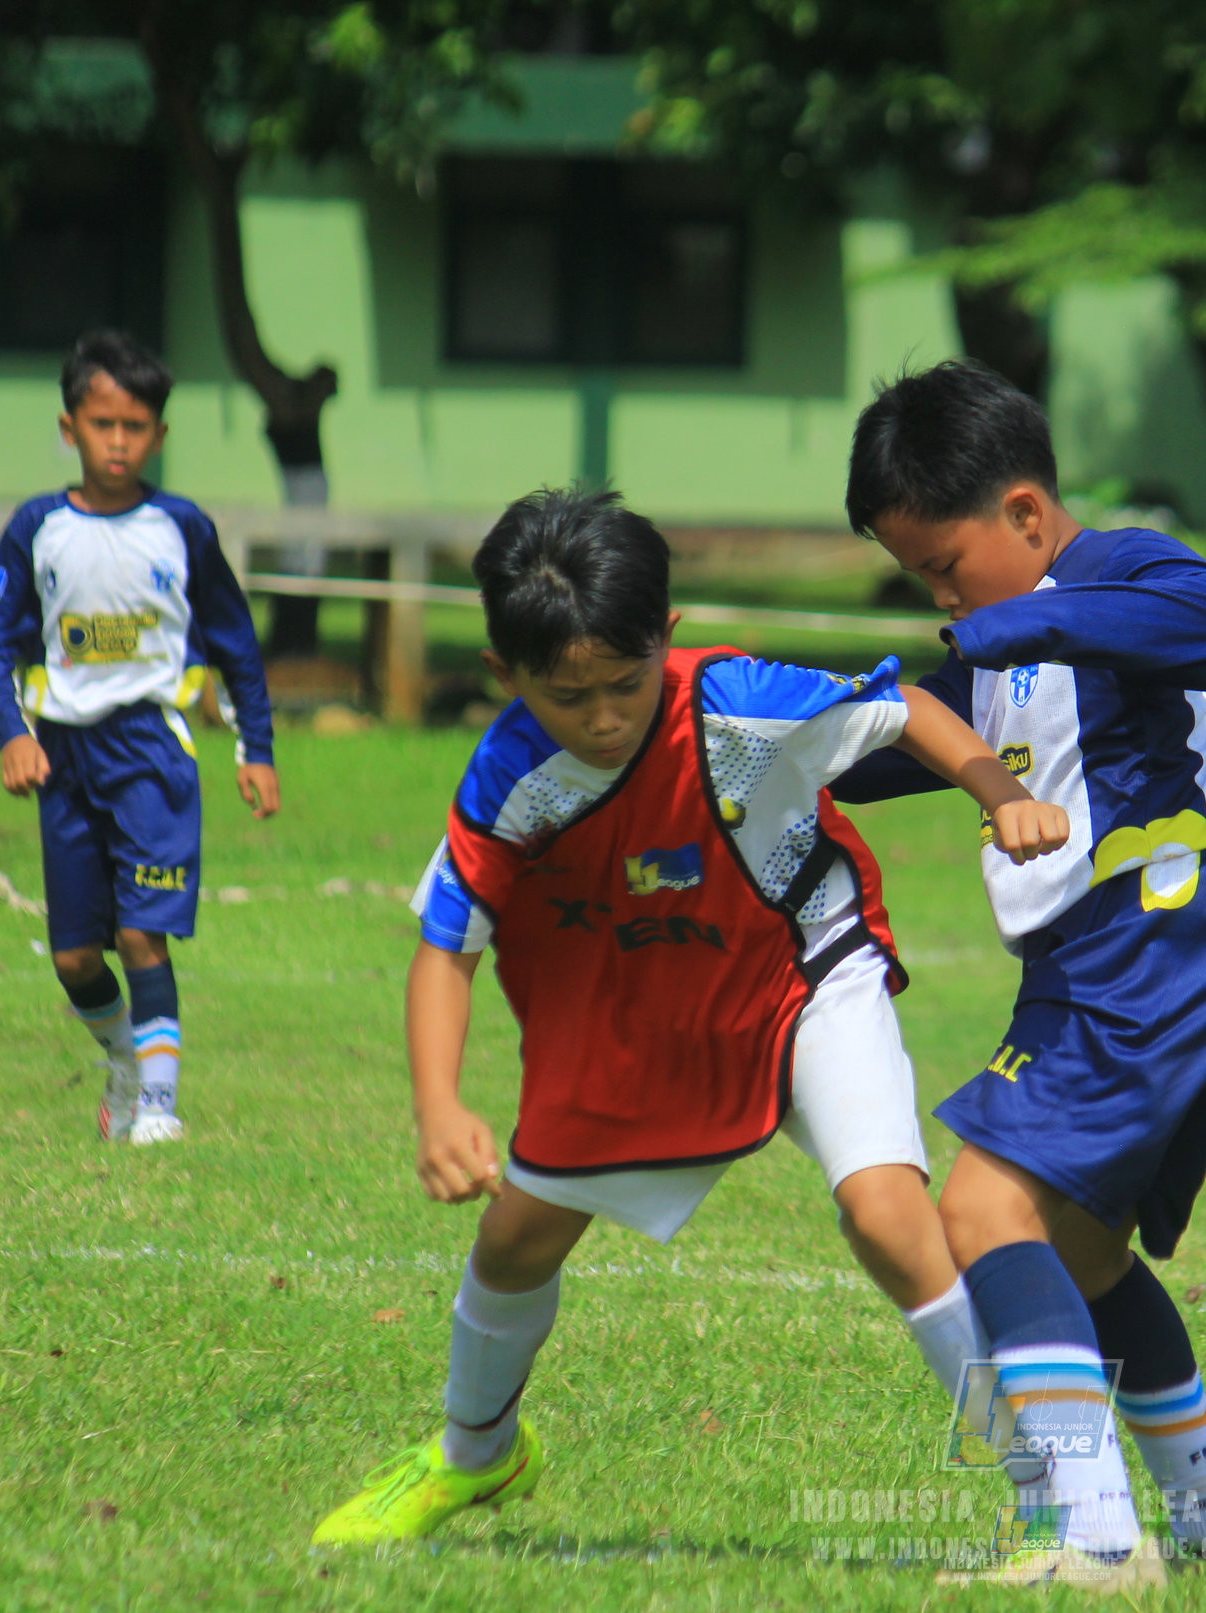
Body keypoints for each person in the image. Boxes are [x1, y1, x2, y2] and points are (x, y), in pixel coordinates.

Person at [311, 486, 1073, 1545]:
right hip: (645, 1006)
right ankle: (475, 1454)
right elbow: (448, 945)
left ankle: (1054, 1495)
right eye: (567, 697)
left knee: (891, 1215)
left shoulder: (740, 705)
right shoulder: (508, 778)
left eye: (626, 684)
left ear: (663, 639)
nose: (606, 716)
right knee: (515, 1242)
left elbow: (909, 710)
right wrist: (438, 1105)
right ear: (504, 674)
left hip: (804, 972)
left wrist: (999, 792)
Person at [836, 360, 1206, 1588]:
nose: (938, 594)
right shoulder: (992, 652)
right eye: (916, 577)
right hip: (1124, 953)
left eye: (942, 564)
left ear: (1028, 514)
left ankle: (1092, 1537)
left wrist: (1023, 615)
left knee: (981, 1209)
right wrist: (763, 740)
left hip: (1170, 924)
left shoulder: (1112, 575)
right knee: (1078, 1257)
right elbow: (888, 734)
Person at [0, 330, 278, 1146]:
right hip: (63, 758)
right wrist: (11, 734)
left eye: (135, 426)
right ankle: (123, 1058)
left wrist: (259, 751)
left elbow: (237, 646)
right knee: (74, 958)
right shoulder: (36, 528)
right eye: (102, 424)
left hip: (151, 753)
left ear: (159, 436)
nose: (118, 442)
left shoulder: (182, 527)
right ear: (70, 428)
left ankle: (158, 1110)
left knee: (142, 930)